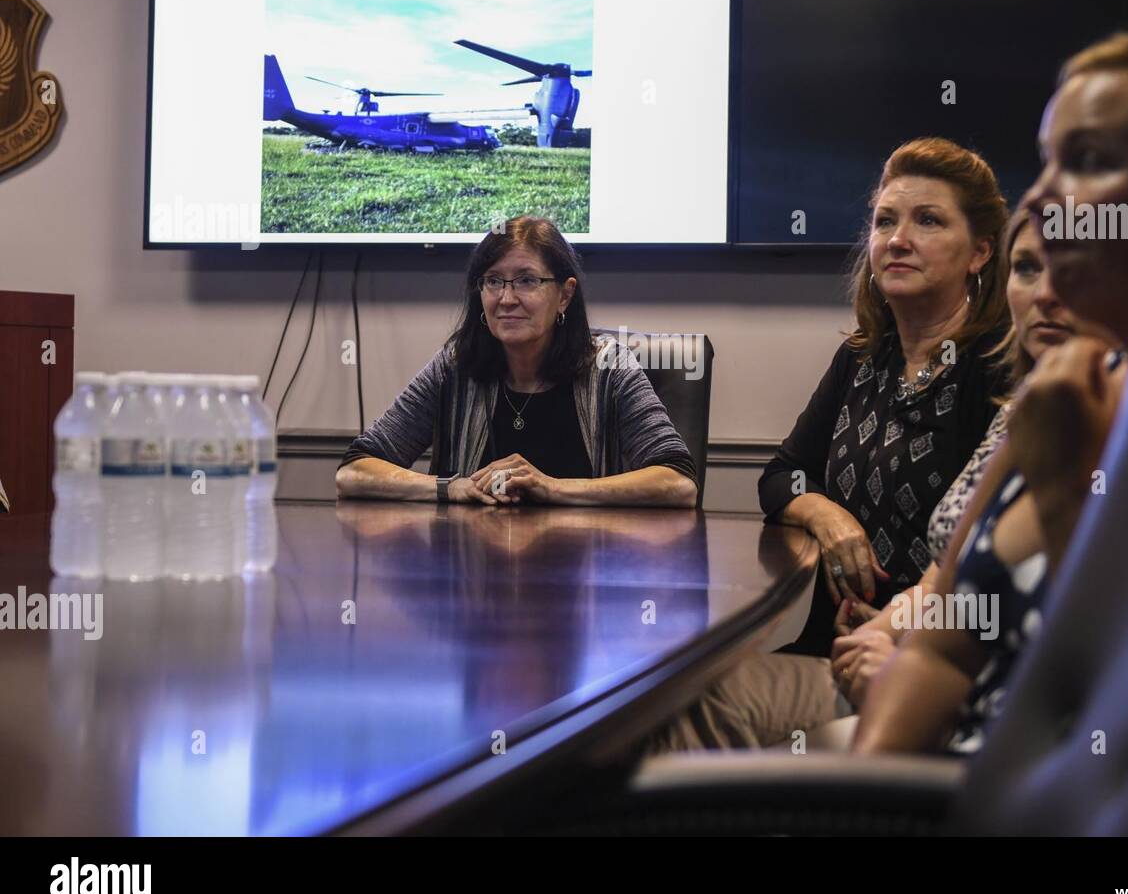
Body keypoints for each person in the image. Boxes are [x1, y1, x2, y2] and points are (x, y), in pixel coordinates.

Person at [853, 22, 1128, 755]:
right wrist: (857, 798)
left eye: (1086, 161)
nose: (1043, 196)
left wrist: (1058, 496)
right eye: (1048, 161)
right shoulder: (1058, 394)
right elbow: (937, 653)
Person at [645, 137, 1010, 751]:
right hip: (827, 650)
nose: (897, 239)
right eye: (884, 221)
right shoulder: (863, 358)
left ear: (979, 252)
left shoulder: (994, 371)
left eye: (928, 221)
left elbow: (988, 561)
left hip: (915, 664)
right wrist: (827, 513)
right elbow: (781, 476)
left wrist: (898, 626)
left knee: (664, 712)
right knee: (658, 695)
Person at [827, 207, 1113, 706]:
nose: (1046, 293)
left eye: (1075, 271)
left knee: (693, 709)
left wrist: (899, 662)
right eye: (1026, 269)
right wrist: (888, 632)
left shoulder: (1121, 426)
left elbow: (1041, 648)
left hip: (984, 724)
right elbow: (951, 575)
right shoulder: (1021, 410)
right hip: (899, 655)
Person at [336, 216, 698, 508]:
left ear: (565, 295)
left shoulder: (610, 369)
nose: (506, 298)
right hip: (469, 577)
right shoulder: (455, 365)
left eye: (526, 281)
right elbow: (353, 472)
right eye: (493, 281)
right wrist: (452, 488)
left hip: (585, 580)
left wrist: (553, 489)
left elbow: (678, 483)